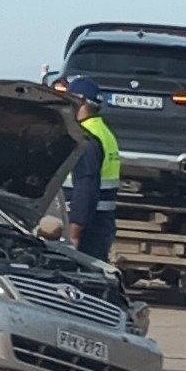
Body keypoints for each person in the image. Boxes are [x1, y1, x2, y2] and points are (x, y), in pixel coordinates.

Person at [62, 75, 121, 261]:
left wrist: (74, 231)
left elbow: (86, 187)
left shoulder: (86, 138)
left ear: (79, 102)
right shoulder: (104, 132)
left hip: (87, 228)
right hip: (101, 223)